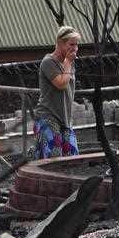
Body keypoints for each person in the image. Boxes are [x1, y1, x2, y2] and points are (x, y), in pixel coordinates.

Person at [33, 26, 82, 159]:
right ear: (60, 43)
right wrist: (67, 63)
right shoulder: (49, 62)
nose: (75, 48)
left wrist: (68, 63)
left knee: (72, 155)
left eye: (77, 45)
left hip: (65, 119)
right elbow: (61, 84)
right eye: (71, 44)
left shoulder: (69, 63)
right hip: (48, 116)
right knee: (54, 158)